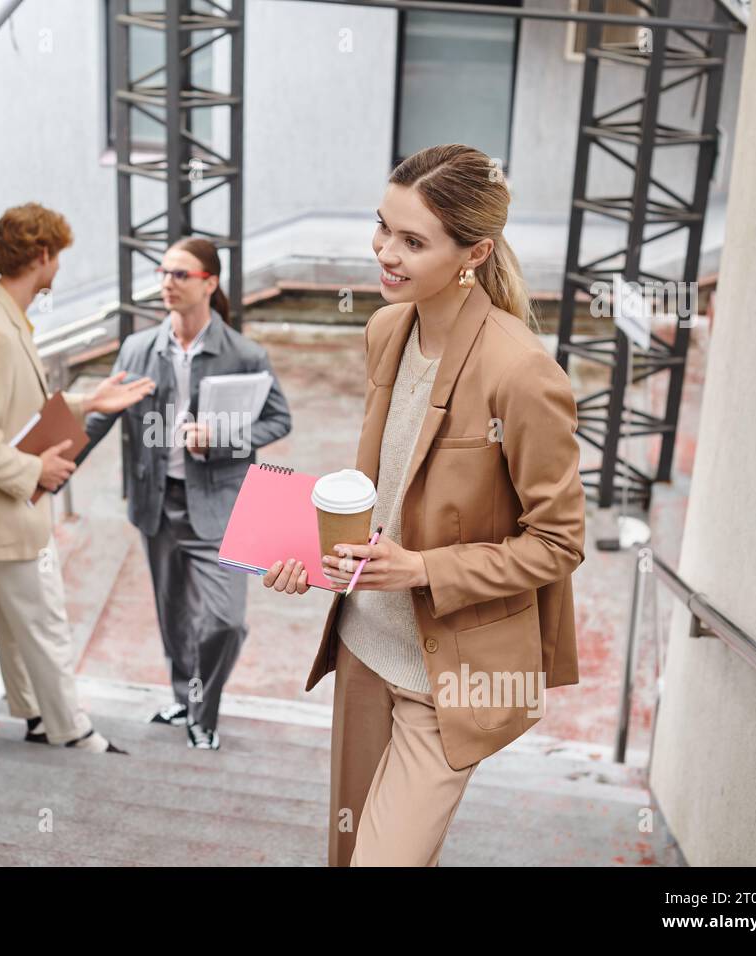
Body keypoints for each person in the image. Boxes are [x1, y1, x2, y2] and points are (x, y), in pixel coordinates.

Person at [262, 144, 586, 865]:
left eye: (413, 241)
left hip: (451, 677)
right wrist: (300, 547)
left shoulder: (523, 372)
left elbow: (559, 543)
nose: (386, 252)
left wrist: (420, 569)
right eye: (383, 229)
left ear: (475, 251)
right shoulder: (387, 329)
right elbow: (386, 493)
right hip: (363, 645)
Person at [0, 203, 154, 753]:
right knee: (45, 624)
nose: (58, 266)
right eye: (58, 256)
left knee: (19, 626)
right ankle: (72, 731)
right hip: (10, 512)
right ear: (42, 256)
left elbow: (19, 407)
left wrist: (88, 401)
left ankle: (37, 717)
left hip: (3, 514)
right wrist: (39, 468)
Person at [78, 238, 293, 749]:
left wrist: (221, 437)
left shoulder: (243, 354)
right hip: (157, 504)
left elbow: (279, 419)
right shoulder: (137, 350)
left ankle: (204, 708)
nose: (167, 283)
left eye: (181, 274)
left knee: (225, 620)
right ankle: (186, 700)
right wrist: (43, 472)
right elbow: (97, 420)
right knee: (173, 612)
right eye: (163, 273)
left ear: (209, 283)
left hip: (220, 505)